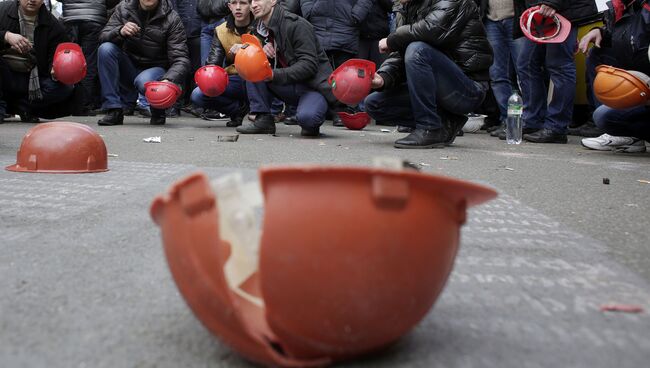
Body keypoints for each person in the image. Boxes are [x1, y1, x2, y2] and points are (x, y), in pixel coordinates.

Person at [364, 0, 493, 148]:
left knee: (417, 49)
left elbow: (433, 29)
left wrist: (392, 39)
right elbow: (400, 53)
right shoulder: (404, 7)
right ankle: (446, 122)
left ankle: (429, 127)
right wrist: (383, 77)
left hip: (468, 89)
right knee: (374, 104)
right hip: (439, 88)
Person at [235, 0, 336, 137]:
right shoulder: (259, 29)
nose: (253, 5)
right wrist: (261, 52)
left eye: (258, 0)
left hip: (313, 87)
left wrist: (273, 75)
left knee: (308, 120)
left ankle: (315, 113)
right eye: (251, 1)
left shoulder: (297, 25)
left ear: (272, 1)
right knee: (251, 63)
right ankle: (263, 119)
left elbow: (309, 66)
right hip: (289, 86)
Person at [514, 0, 598, 143]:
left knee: (560, 66)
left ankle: (556, 127)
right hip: (537, 11)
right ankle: (531, 122)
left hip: (561, 10)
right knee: (526, 64)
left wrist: (553, 2)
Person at [96, 0, 190, 126]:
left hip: (155, 71)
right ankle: (114, 110)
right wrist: (119, 31)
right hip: (128, 67)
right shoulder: (123, 8)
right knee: (105, 49)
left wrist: (168, 79)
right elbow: (103, 36)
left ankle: (158, 110)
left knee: (142, 80)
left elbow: (181, 58)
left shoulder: (172, 18)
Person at [578, 0, 650, 153]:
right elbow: (629, 36)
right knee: (603, 116)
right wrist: (601, 32)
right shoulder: (620, 7)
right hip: (641, 90)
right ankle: (627, 136)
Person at [0, 0, 74, 124]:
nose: (32, 0)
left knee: (65, 87)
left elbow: (55, 55)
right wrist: (5, 36)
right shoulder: (2, 10)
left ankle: (22, 107)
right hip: (4, 73)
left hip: (31, 78)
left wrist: (55, 69)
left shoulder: (53, 24)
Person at [190, 0, 254, 127]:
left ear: (251, 6)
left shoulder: (261, 26)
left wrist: (245, 48)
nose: (238, 8)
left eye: (243, 3)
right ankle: (237, 110)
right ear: (229, 6)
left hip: (258, 78)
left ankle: (264, 114)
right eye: (234, 3)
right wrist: (209, 79)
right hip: (235, 78)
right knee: (198, 94)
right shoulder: (221, 30)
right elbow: (214, 63)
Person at [62, 0, 121, 116]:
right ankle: (84, 105)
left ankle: (70, 102)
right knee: (89, 64)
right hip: (94, 19)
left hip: (70, 19)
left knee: (70, 62)